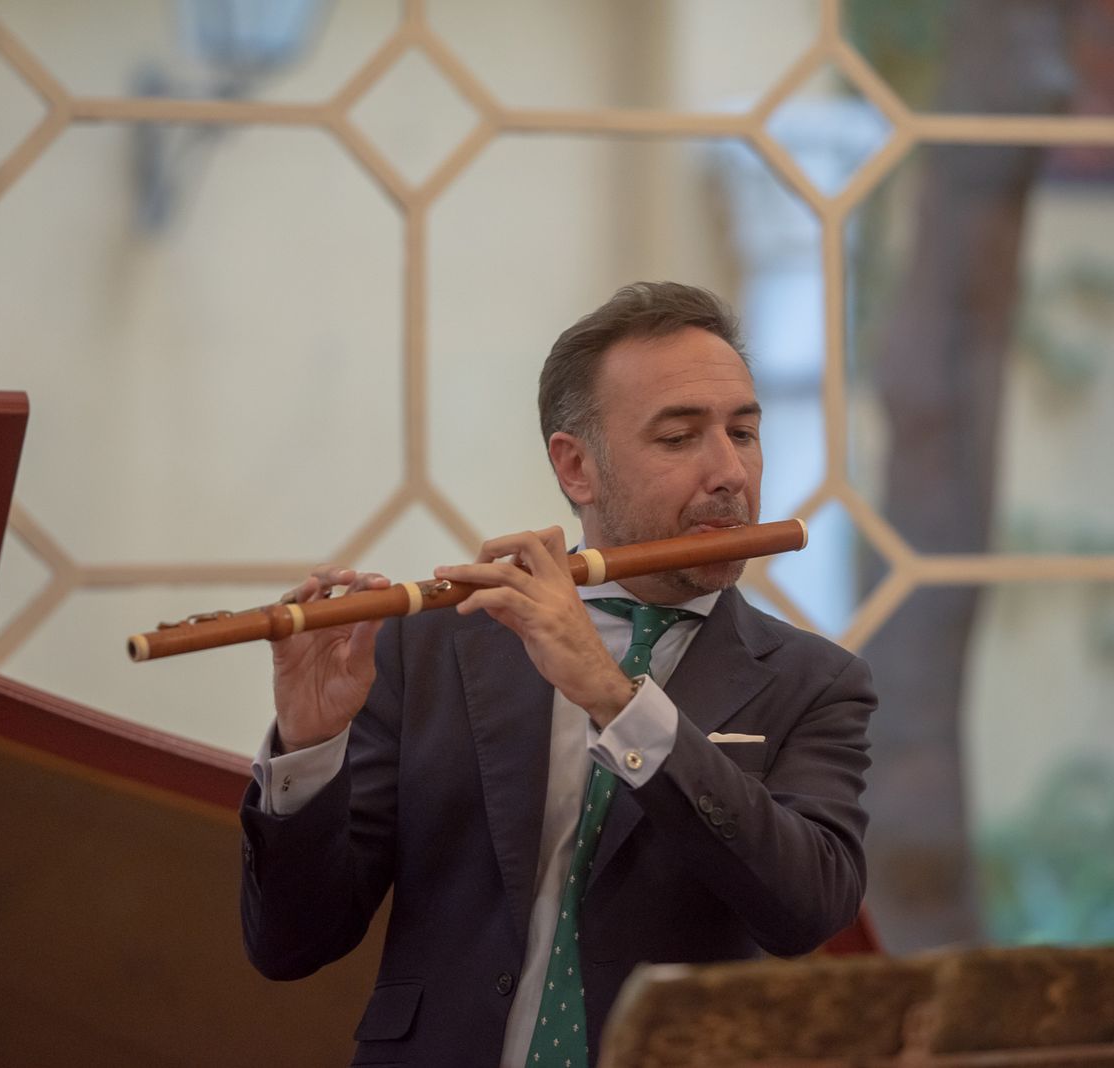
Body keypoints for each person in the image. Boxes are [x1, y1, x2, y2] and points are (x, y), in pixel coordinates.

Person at [240, 282, 876, 1068]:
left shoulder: (816, 681)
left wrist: (615, 699)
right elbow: (293, 944)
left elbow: (807, 908)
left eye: (743, 433)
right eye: (679, 438)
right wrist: (310, 744)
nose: (729, 473)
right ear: (577, 468)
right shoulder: (432, 647)